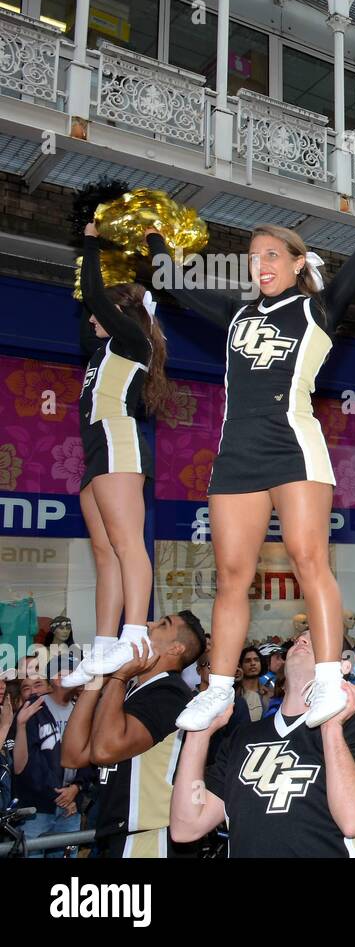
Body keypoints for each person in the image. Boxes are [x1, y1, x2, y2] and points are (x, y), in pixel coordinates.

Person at [163, 163, 355, 732]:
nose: (260, 264)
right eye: (253, 257)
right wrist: (150, 244)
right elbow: (178, 287)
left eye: (272, 254)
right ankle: (218, 689)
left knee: (309, 559)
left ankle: (330, 679)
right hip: (236, 455)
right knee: (231, 574)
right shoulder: (238, 315)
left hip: (294, 447)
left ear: (296, 264)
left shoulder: (318, 309)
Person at [62, 226, 171, 688]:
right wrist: (94, 263)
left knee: (127, 545)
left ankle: (133, 632)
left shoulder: (133, 341)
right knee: (104, 553)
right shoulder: (102, 348)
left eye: (99, 313)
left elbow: (94, 296)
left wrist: (91, 241)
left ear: (121, 313)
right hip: (95, 451)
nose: (91, 319)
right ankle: (103, 644)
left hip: (117, 441)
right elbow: (85, 300)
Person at [169, 630, 355, 856]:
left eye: (317, 639)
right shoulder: (242, 737)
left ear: (343, 665)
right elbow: (186, 827)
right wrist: (198, 735)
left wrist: (331, 725)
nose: (301, 640)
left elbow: (353, 821)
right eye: (299, 638)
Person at [60, 613, 204, 857]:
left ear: (176, 648)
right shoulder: (131, 690)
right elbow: (73, 756)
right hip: (121, 836)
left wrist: (119, 677)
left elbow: (104, 751)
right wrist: (99, 675)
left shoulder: (170, 693)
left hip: (150, 837)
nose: (148, 624)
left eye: (162, 624)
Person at [10, 670, 95, 856]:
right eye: (26, 688)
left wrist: (76, 788)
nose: (33, 691)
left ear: (49, 686)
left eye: (38, 684)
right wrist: (61, 796)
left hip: (70, 806)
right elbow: (29, 766)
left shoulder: (80, 709)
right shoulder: (26, 716)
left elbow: (88, 754)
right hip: (36, 809)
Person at [236, 646, 265, 722]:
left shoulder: (269, 693)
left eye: (256, 660)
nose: (253, 663)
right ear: (240, 665)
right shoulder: (234, 693)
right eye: (247, 661)